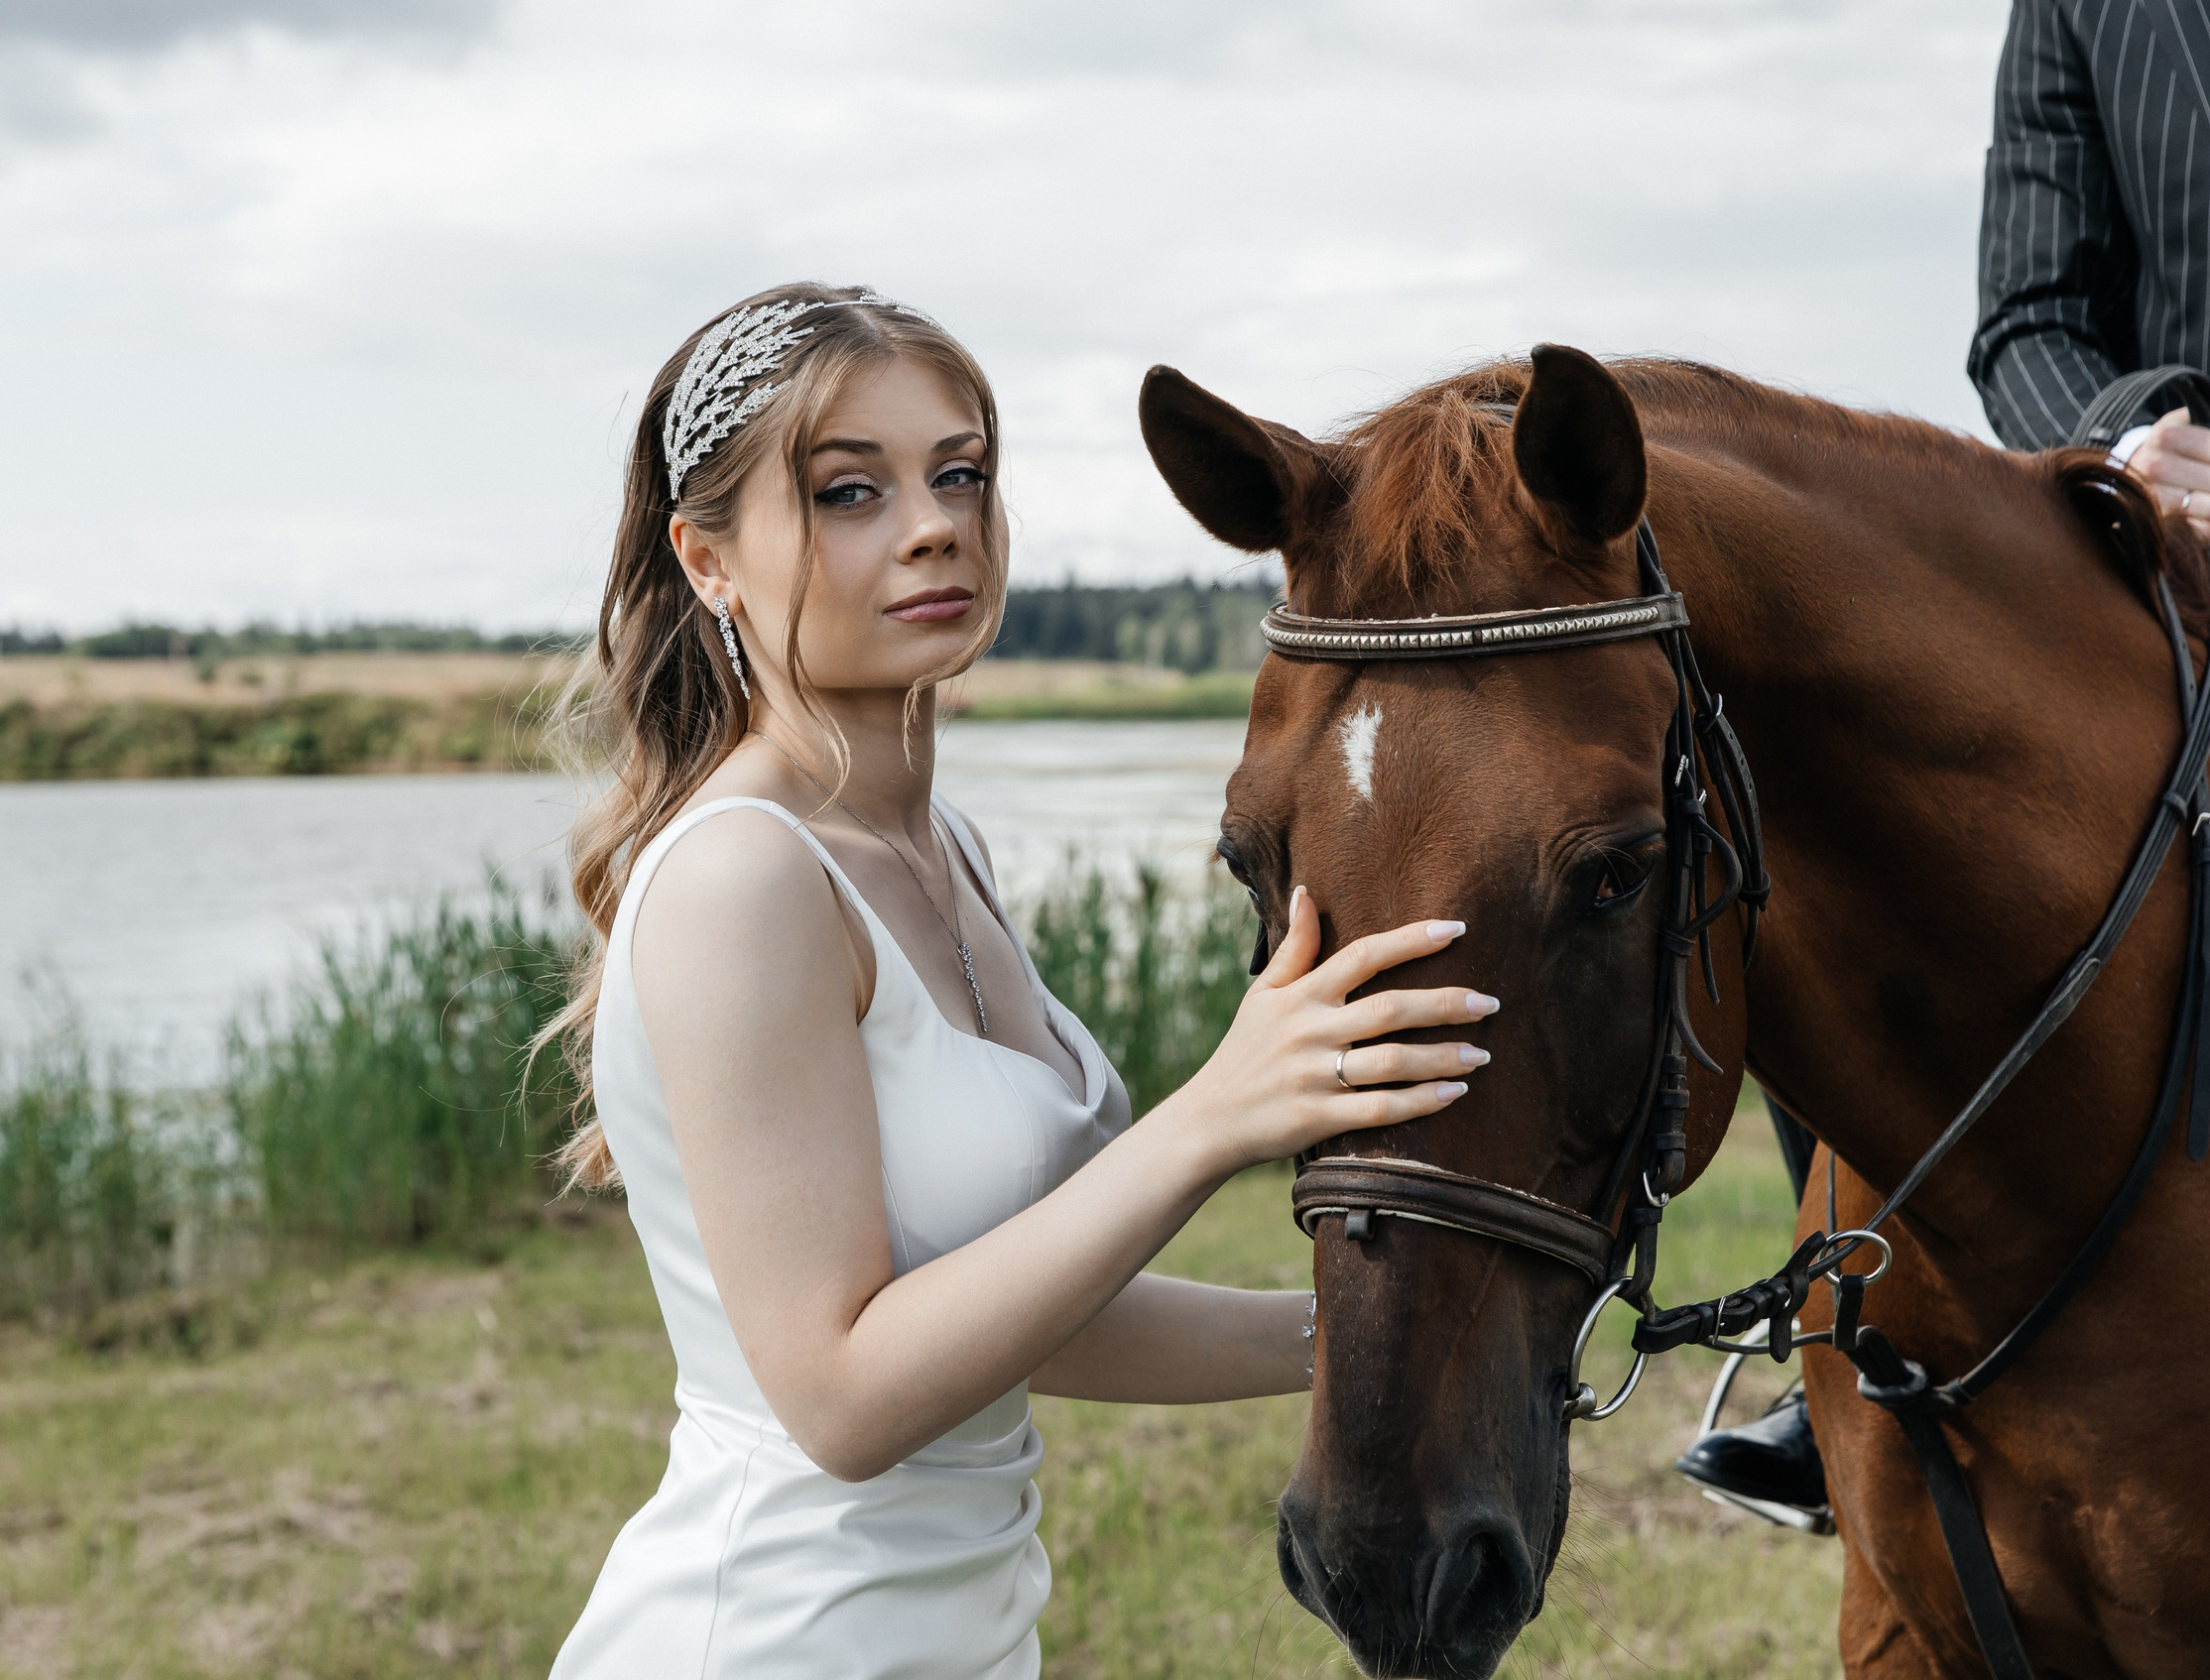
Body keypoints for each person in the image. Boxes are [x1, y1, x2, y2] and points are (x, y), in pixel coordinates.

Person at [541, 284, 1498, 1679]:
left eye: (960, 473)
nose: (933, 523)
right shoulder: (745, 879)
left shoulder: (941, 848)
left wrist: (1398, 1333)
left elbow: (1029, 1319)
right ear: (708, 560)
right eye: (847, 491)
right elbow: (847, 1397)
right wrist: (1213, 1115)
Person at [1679, 0, 2210, 1524]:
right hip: (2168, 575)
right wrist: (2126, 444)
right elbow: (2030, 314)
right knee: (1856, 819)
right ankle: (1848, 1334)